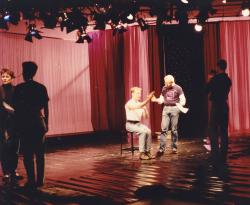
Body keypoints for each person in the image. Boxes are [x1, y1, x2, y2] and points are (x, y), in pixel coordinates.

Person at [13, 61, 49, 189]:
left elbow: (16, 109)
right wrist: (47, 124)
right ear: (34, 73)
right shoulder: (41, 87)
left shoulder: (19, 88)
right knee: (40, 154)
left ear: (24, 72)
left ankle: (31, 181)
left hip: (25, 123)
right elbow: (45, 108)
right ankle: (40, 180)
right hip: (39, 123)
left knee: (27, 155)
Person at [152, 75, 187, 156]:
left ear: (171, 82)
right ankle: (161, 148)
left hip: (175, 109)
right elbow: (161, 99)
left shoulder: (178, 88)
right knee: (164, 129)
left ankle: (174, 147)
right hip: (166, 109)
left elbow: (183, 99)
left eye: (166, 83)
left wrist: (179, 106)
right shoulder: (164, 88)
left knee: (174, 129)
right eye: (165, 83)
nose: (165, 84)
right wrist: (156, 100)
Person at [206, 59, 231, 162]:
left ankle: (215, 152)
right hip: (224, 106)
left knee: (213, 129)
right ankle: (223, 153)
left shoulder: (214, 79)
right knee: (224, 130)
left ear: (218, 67)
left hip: (216, 106)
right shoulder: (228, 79)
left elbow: (206, 90)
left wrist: (210, 79)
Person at [0, 68, 22, 184]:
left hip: (14, 122)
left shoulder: (16, 90)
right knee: (3, 148)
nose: (4, 78)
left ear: (12, 78)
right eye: (3, 76)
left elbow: (19, 105)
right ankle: (6, 172)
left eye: (7, 76)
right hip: (2, 122)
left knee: (15, 148)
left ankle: (14, 170)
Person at [125, 87, 155, 160]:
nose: (139, 95)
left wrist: (145, 109)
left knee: (148, 131)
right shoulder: (129, 103)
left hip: (138, 124)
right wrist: (148, 99)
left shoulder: (140, 104)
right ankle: (141, 154)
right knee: (143, 131)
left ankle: (147, 151)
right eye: (137, 93)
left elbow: (146, 117)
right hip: (130, 124)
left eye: (140, 93)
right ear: (132, 94)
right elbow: (138, 106)